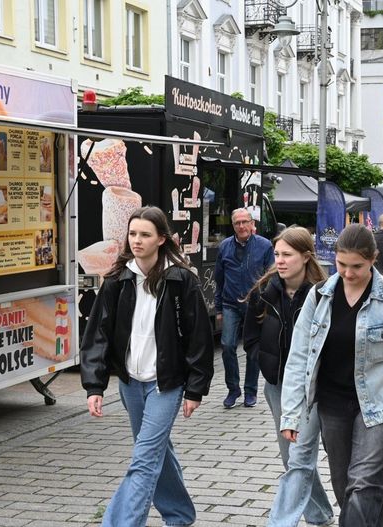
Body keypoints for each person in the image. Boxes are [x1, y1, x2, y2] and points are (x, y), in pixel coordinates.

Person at [279, 224, 383, 527]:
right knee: (347, 486)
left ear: (373, 258)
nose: (347, 272)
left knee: (363, 483)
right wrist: (291, 415)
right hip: (332, 407)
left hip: (379, 406)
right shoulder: (319, 297)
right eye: (341, 264)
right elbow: (298, 359)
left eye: (356, 266)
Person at [80, 206, 214, 527]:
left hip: (165, 384)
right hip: (130, 384)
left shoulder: (181, 279)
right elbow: (97, 332)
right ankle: (180, 515)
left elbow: (199, 337)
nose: (137, 240)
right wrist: (94, 385)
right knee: (154, 453)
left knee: (142, 461)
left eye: (145, 235)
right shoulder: (117, 279)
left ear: (161, 239)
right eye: (133, 234)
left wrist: (195, 388)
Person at [242, 227, 333, 527]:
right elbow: (250, 336)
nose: (280, 261)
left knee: (300, 454)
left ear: (305, 257)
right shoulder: (264, 291)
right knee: (290, 455)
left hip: (316, 386)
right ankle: (319, 513)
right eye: (277, 254)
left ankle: (286, 520)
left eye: (287, 255)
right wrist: (264, 361)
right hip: (278, 385)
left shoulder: (323, 294)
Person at [215, 208, 275, 408]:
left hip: (256, 305)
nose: (241, 226)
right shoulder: (224, 246)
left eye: (244, 222)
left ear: (251, 224)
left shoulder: (265, 246)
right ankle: (233, 390)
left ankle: (251, 391)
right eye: (237, 223)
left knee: (253, 349)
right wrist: (218, 308)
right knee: (228, 346)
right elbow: (219, 278)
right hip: (231, 302)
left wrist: (269, 304)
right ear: (233, 226)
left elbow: (271, 276)